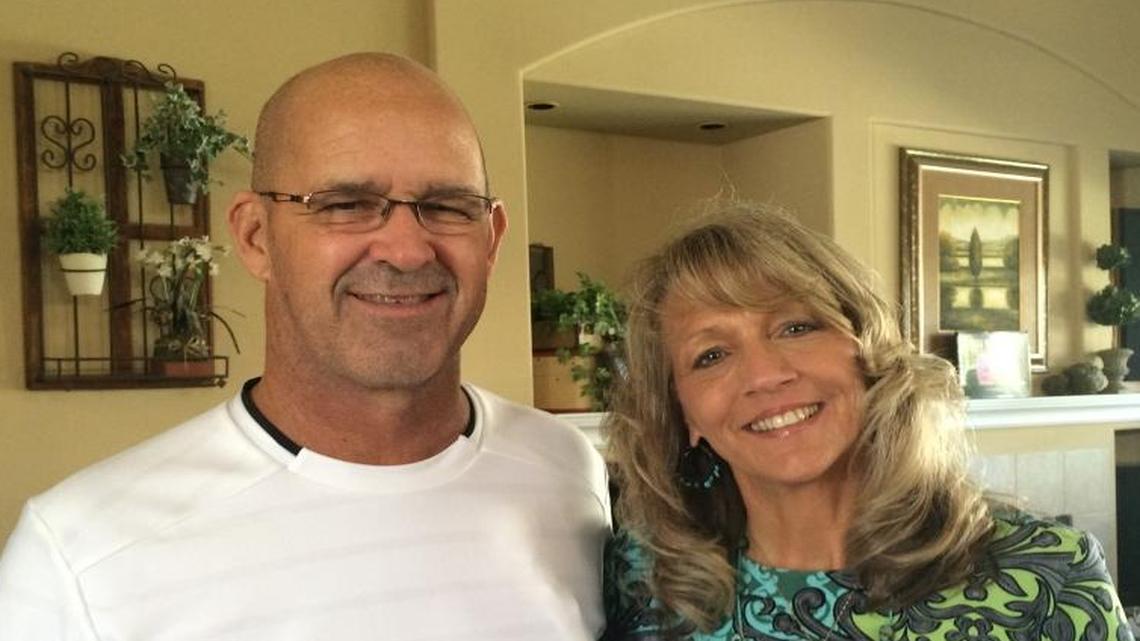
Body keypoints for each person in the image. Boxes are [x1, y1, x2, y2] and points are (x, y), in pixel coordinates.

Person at [0, 53, 610, 640]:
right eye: (346, 205)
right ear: (255, 236)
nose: (406, 250)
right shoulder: (82, 554)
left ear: (493, 238)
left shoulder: (565, 472)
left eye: (447, 207)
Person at [601, 203, 1132, 641]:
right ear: (681, 412)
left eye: (795, 327)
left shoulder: (1047, 571)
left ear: (869, 353)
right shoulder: (644, 580)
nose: (764, 375)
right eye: (711, 356)